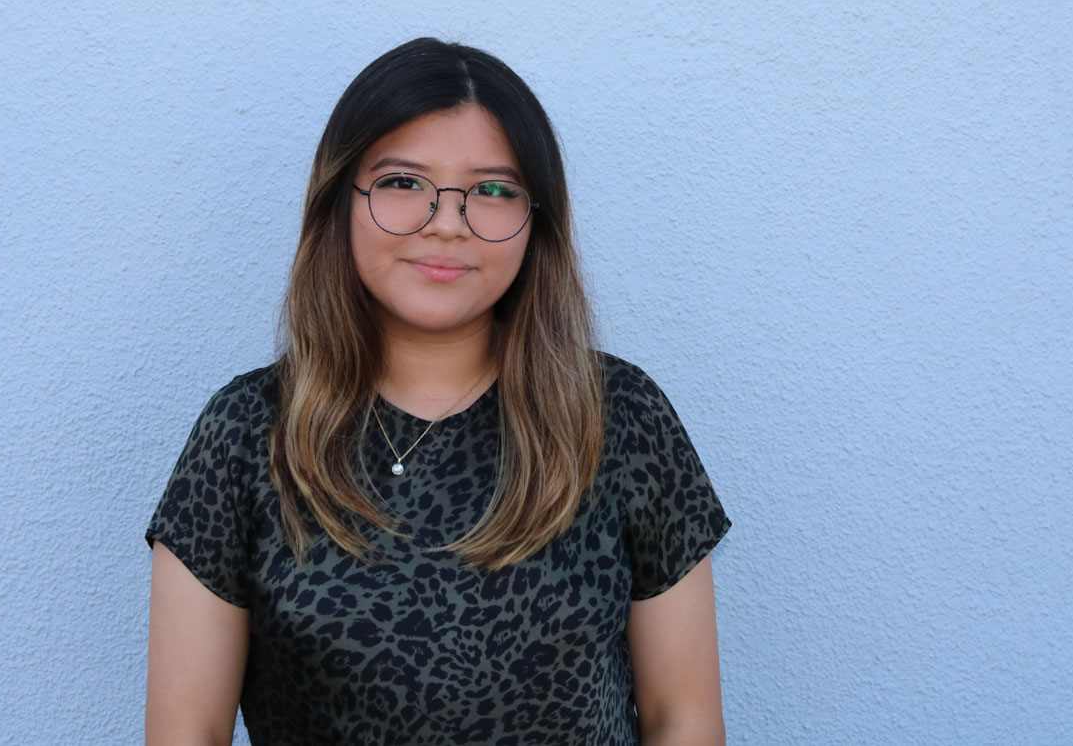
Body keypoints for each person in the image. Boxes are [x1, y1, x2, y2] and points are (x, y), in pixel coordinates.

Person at [145, 38, 731, 745]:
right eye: (402, 182)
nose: (446, 222)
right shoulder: (245, 436)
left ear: (534, 218)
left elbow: (684, 720)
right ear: (341, 199)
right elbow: (187, 731)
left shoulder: (621, 418)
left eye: (491, 189)